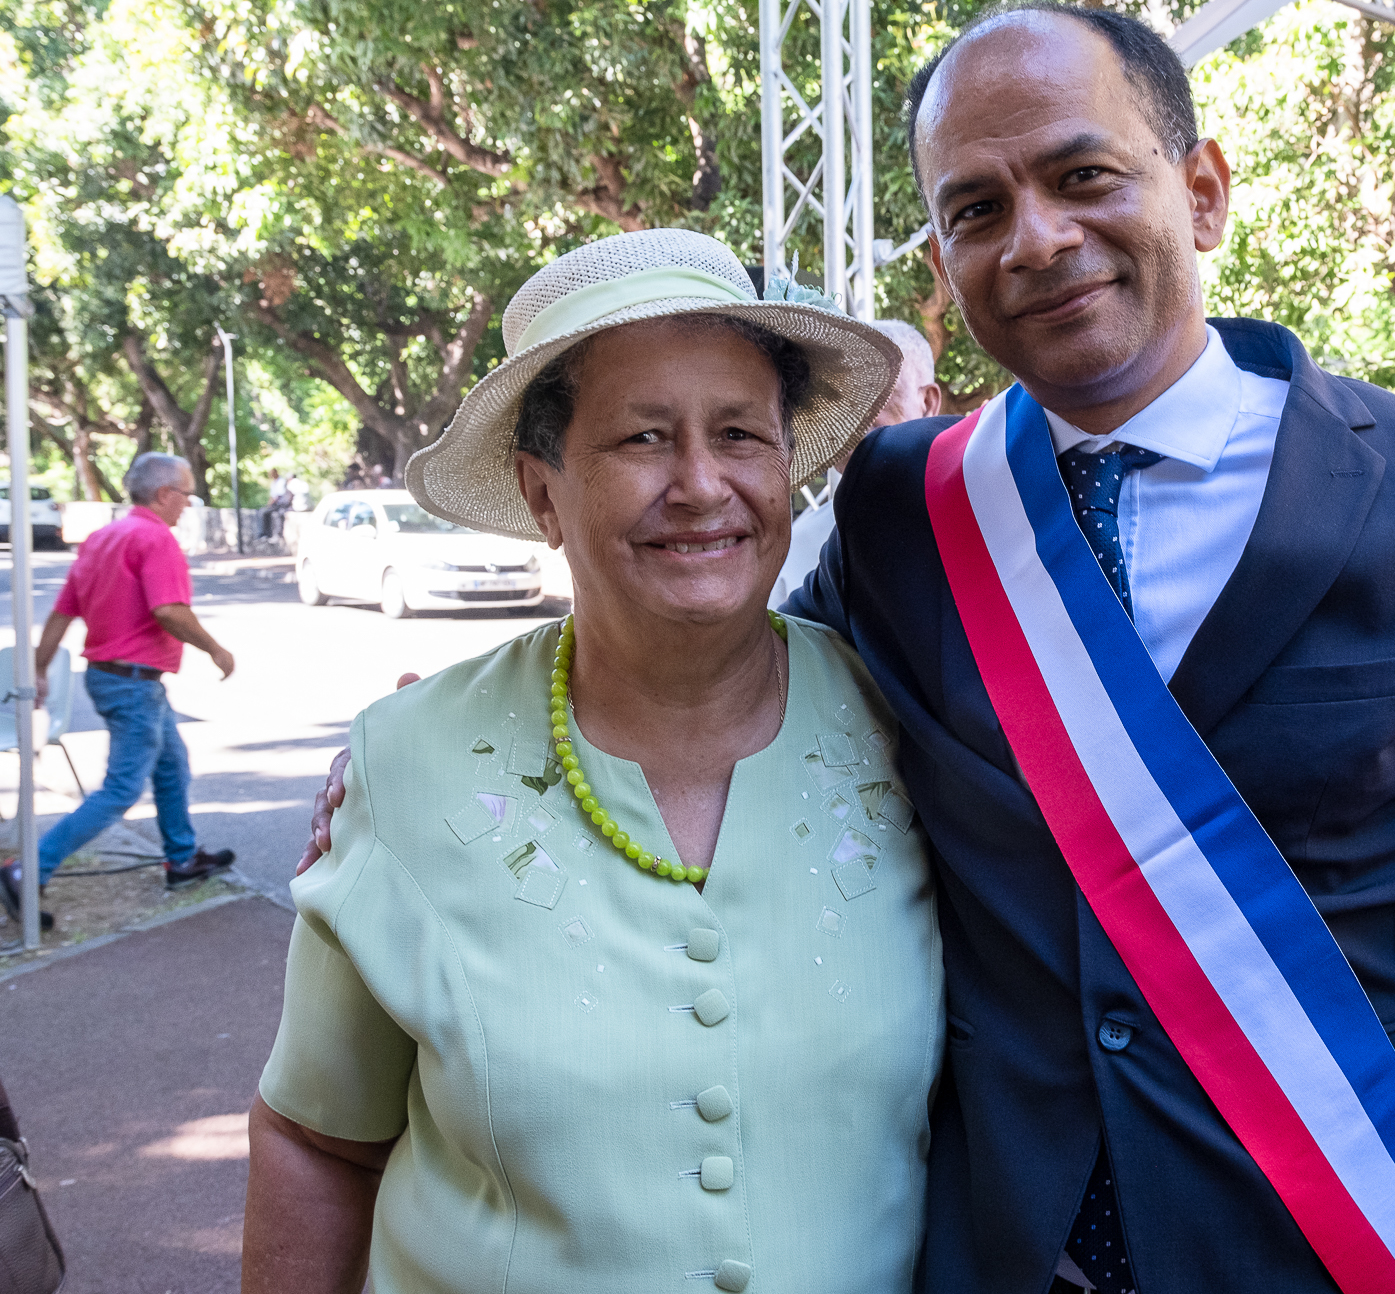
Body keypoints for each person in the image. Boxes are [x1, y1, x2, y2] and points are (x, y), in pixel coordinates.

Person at [309, 5, 1395, 1294]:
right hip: (997, 1246)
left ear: (1200, 189)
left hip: (1319, 1231)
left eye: (1083, 176)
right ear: (944, 264)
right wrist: (458, 733)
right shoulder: (912, 511)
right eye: (978, 209)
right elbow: (715, 647)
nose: (1036, 239)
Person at [245, 229, 942, 1294]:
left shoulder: (909, 729)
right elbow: (317, 1137)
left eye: (742, 434)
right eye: (641, 439)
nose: (703, 484)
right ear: (540, 491)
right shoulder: (411, 762)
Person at [0, 454, 237, 931]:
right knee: (121, 788)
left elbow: (63, 611)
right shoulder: (155, 538)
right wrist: (216, 650)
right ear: (164, 494)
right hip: (133, 683)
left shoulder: (102, 540)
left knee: (171, 764)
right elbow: (169, 610)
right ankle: (28, 869)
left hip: (114, 677)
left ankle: (182, 858)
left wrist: (41, 668)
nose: (188, 506)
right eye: (186, 496)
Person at [768, 318, 942, 607]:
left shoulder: (980, 516)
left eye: (877, 395)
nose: (856, 419)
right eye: (841, 401)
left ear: (927, 404)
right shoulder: (798, 545)